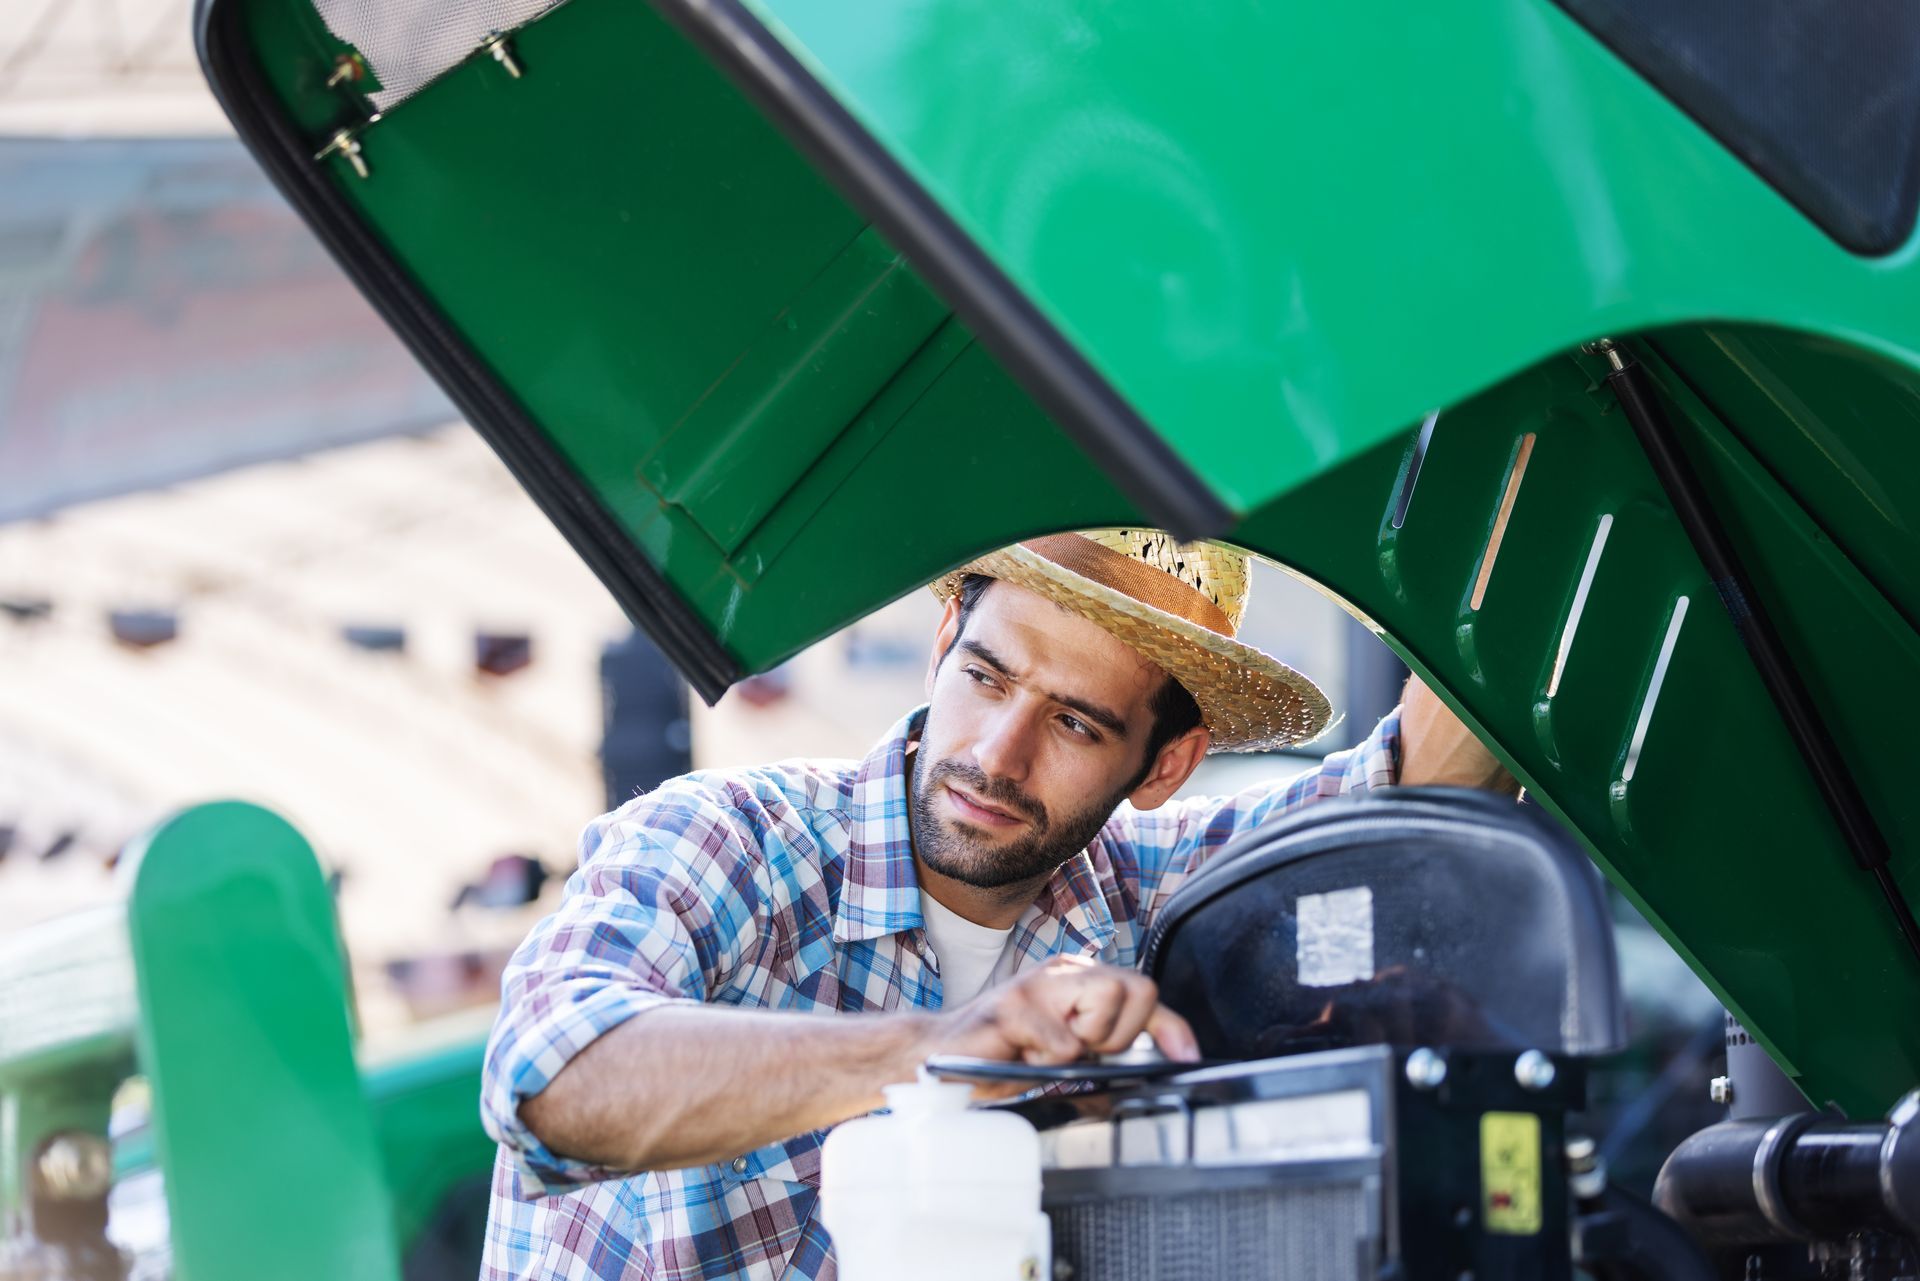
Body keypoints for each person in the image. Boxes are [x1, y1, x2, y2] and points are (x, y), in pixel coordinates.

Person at [479, 529, 1516, 1280]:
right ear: (942, 646)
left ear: (1165, 765)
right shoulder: (731, 838)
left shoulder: (1149, 887)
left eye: (1072, 722)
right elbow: (545, 1078)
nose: (992, 753)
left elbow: (1416, 792)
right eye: (986, 677)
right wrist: (940, 1054)